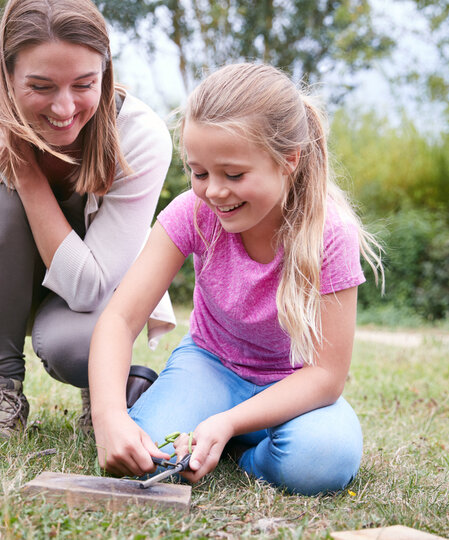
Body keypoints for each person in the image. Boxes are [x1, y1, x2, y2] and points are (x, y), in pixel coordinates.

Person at [89, 63, 383, 494]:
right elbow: (120, 318)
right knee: (149, 457)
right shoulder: (191, 212)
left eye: (234, 174)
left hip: (293, 387)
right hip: (210, 367)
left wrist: (229, 422)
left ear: (288, 161)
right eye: (199, 172)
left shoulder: (331, 236)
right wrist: (109, 416)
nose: (214, 192)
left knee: (323, 460)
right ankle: (192, 418)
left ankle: (241, 447)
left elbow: (325, 376)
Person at [0, 0, 175, 438]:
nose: (64, 109)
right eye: (42, 86)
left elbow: (87, 289)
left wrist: (25, 174)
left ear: (106, 73)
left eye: (84, 84)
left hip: (95, 295)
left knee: (74, 348)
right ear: (5, 77)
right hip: (3, 277)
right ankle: (1, 391)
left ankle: (103, 388)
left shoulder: (141, 136)